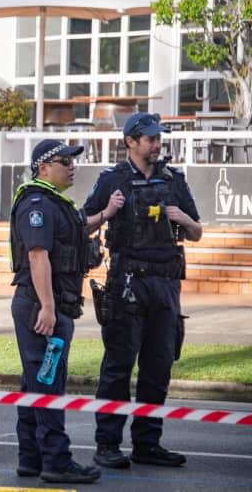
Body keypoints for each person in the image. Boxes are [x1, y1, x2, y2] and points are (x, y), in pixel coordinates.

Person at [85, 113, 202, 469]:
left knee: (158, 367)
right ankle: (107, 443)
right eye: (150, 138)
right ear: (130, 142)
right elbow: (82, 222)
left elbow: (197, 232)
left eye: (158, 137)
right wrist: (107, 213)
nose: (157, 143)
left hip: (166, 284)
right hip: (127, 284)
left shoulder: (174, 180)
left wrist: (182, 218)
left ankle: (147, 444)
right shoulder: (112, 180)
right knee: (118, 367)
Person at [8, 138, 101, 484]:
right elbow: (37, 255)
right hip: (41, 306)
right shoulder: (37, 204)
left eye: (74, 160)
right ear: (43, 168)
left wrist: (105, 214)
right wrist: (47, 307)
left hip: (52, 305)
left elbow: (73, 232)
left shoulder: (55, 204)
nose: (72, 166)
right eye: (65, 161)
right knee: (48, 384)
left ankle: (31, 458)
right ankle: (56, 461)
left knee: (36, 382)